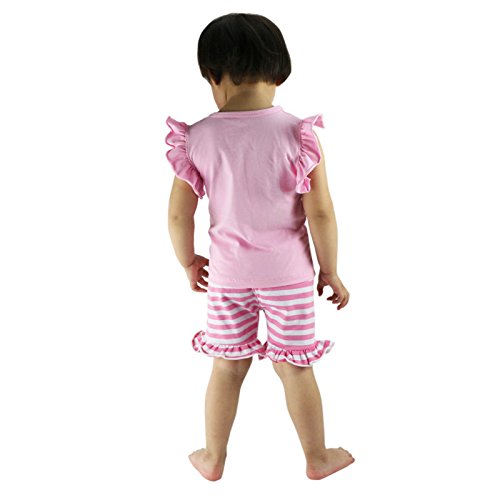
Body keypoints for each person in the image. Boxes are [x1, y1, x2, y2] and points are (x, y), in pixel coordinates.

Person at [166, 13, 353, 481]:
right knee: (295, 369)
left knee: (226, 368)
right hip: (289, 278)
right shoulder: (298, 135)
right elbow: (321, 213)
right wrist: (329, 270)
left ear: (213, 77)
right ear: (280, 73)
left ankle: (213, 457)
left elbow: (179, 215)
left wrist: (188, 261)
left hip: (228, 278)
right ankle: (317, 457)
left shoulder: (198, 138)